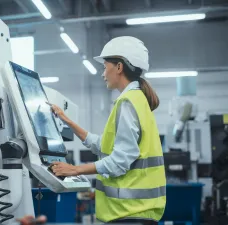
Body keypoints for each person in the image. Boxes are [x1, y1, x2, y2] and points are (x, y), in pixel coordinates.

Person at [48, 36, 166, 225]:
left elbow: (120, 160)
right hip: (136, 213)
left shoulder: (127, 103)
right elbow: (102, 144)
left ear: (119, 67)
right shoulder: (137, 100)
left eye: (105, 67)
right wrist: (66, 119)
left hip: (129, 213)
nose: (103, 74)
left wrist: (75, 170)